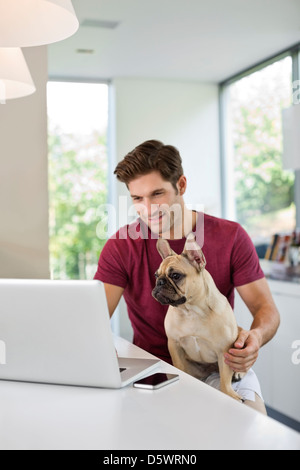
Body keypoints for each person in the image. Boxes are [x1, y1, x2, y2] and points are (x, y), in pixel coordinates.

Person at [94, 140, 280, 414]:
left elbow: (266, 309)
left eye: (157, 194)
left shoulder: (230, 237)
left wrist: (255, 337)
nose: (148, 208)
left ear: (181, 185)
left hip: (222, 365)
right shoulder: (121, 245)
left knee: (253, 429)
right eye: (137, 198)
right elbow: (95, 318)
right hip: (153, 368)